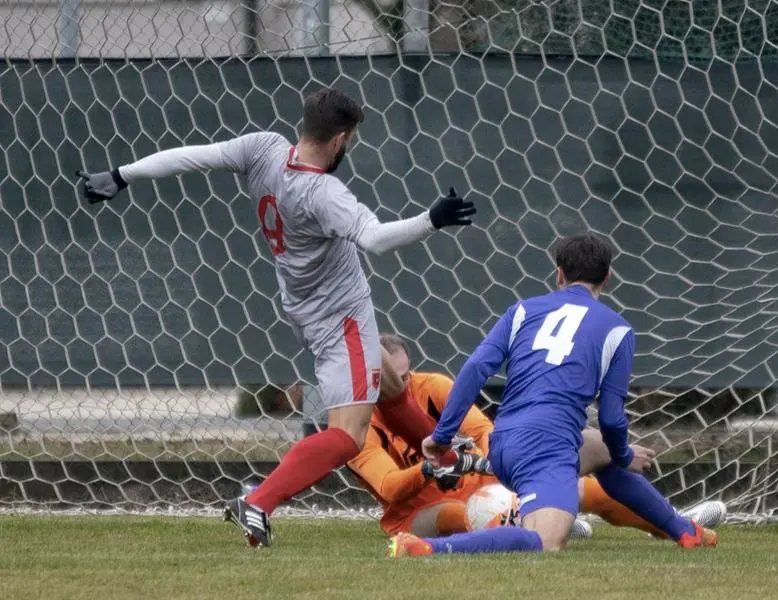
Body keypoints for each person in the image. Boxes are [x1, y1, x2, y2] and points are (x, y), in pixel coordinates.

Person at [75, 87, 476, 548]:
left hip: (307, 309)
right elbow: (376, 239)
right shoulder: (324, 192)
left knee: (389, 386)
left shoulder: (263, 147)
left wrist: (121, 174)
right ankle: (259, 501)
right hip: (340, 318)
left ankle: (443, 454)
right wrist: (433, 219)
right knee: (347, 436)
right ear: (342, 139)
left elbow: (192, 157)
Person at [391, 232, 719, 556]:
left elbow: (476, 368)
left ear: (558, 274)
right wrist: (624, 454)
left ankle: (685, 531)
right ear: (608, 278)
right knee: (546, 543)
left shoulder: (521, 311)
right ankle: (425, 548)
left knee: (596, 448)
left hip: (503, 441)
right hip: (546, 449)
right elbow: (612, 417)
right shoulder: (618, 329)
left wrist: (443, 434)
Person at [351, 334, 725, 540]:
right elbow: (388, 486)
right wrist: (429, 471)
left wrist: (498, 466)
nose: (403, 383)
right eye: (390, 378)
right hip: (412, 517)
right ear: (371, 379)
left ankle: (669, 522)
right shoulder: (358, 420)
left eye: (406, 374)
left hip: (479, 481)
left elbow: (483, 431)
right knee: (456, 513)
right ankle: (537, 524)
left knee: (582, 478)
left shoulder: (431, 386)